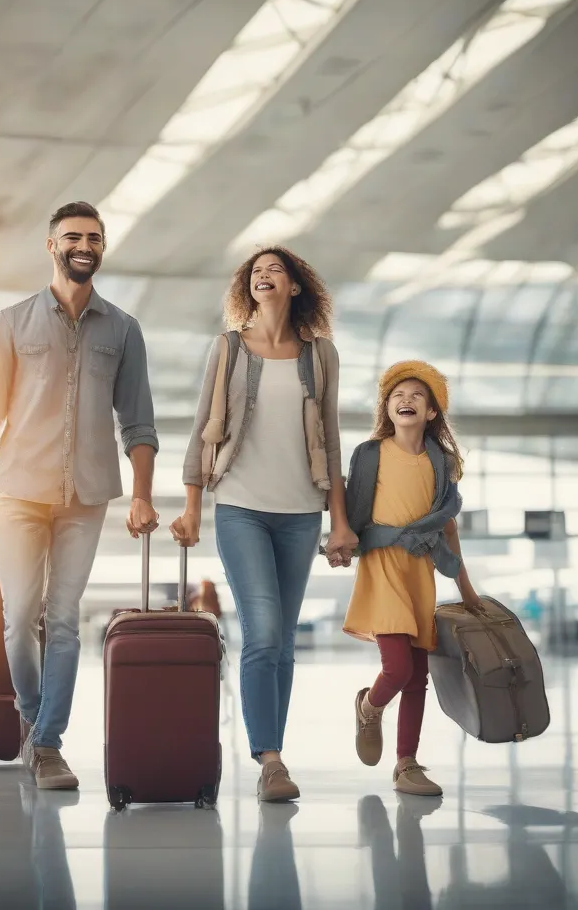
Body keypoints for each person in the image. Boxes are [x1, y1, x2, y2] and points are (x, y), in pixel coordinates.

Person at [0, 201, 159, 790]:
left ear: (101, 249)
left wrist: (143, 496)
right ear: (52, 246)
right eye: (73, 236)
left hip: (88, 495)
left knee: (65, 619)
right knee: (19, 615)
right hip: (19, 491)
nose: (84, 245)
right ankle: (32, 713)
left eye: (94, 238)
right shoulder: (12, 322)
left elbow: (139, 423)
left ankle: (48, 744)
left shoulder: (124, 329)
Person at [171, 247, 357, 803]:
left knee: (283, 645)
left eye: (275, 269)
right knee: (264, 630)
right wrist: (191, 505)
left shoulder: (320, 355)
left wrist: (339, 523)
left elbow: (330, 436)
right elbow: (204, 424)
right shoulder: (228, 348)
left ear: (296, 286)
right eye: (255, 271)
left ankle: (272, 748)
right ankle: (270, 760)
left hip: (301, 512)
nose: (263, 274)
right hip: (241, 506)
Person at [338, 361, 484, 797]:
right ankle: (369, 705)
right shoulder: (371, 454)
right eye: (398, 395)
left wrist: (467, 589)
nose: (406, 400)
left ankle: (406, 764)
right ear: (387, 406)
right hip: (382, 566)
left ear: (432, 413)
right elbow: (350, 506)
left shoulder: (441, 464)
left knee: (418, 674)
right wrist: (340, 540)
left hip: (420, 570)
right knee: (398, 668)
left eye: (417, 395)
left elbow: (448, 528)